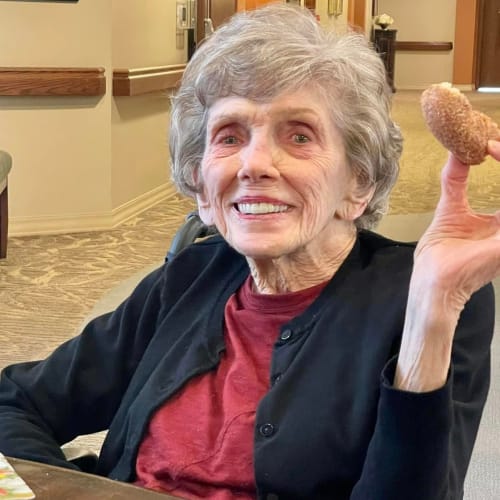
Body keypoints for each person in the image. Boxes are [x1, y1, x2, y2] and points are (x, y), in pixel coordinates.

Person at [1, 4, 499, 499]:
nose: (254, 163)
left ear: (358, 184)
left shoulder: (431, 300)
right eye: (230, 135)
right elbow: (14, 401)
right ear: (201, 186)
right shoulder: (189, 278)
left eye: (299, 135)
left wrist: (430, 316)